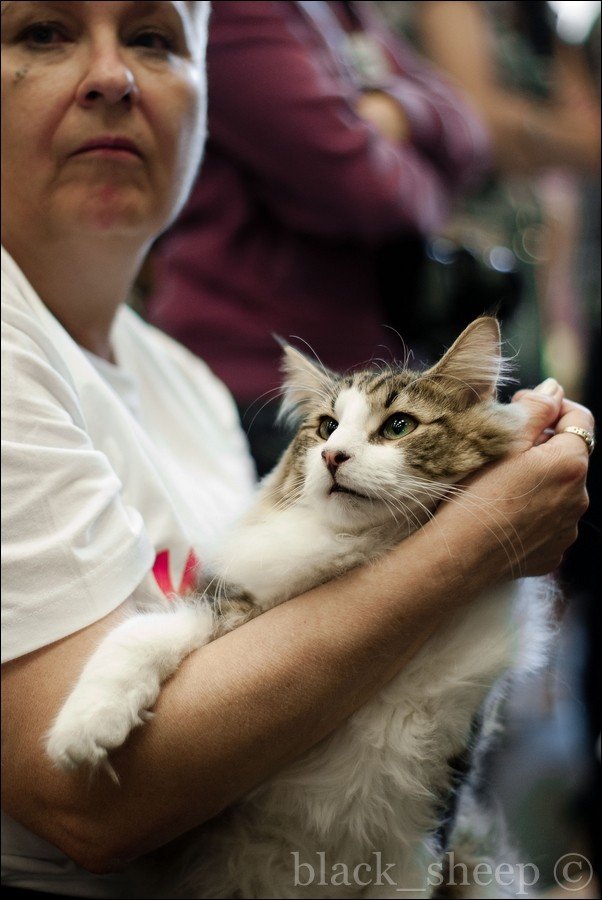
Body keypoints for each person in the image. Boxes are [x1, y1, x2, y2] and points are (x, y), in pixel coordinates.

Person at [0, 2, 594, 898]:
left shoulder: (187, 383)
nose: (113, 76)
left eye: (155, 38)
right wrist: (477, 545)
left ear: (207, 90)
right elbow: (90, 808)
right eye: (42, 32)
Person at [144, 0, 493, 475]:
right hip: (262, 385)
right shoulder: (239, 11)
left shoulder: (341, 9)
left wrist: (398, 111)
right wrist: (426, 185)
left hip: (367, 370)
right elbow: (364, 190)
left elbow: (470, 130)